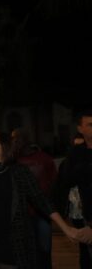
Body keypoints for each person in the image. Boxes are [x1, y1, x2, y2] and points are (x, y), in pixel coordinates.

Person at [0, 132, 92, 268]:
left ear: (7, 147)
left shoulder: (19, 171)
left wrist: (66, 228)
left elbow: (41, 200)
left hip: (11, 242)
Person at [12, 128, 57, 268]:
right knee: (23, 251)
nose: (15, 141)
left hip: (42, 212)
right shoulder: (12, 160)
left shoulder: (44, 159)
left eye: (17, 138)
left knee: (44, 250)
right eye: (13, 138)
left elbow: (54, 182)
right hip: (20, 213)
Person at [56, 109, 92, 268]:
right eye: (90, 124)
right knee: (85, 255)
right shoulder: (76, 152)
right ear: (80, 129)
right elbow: (66, 179)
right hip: (83, 214)